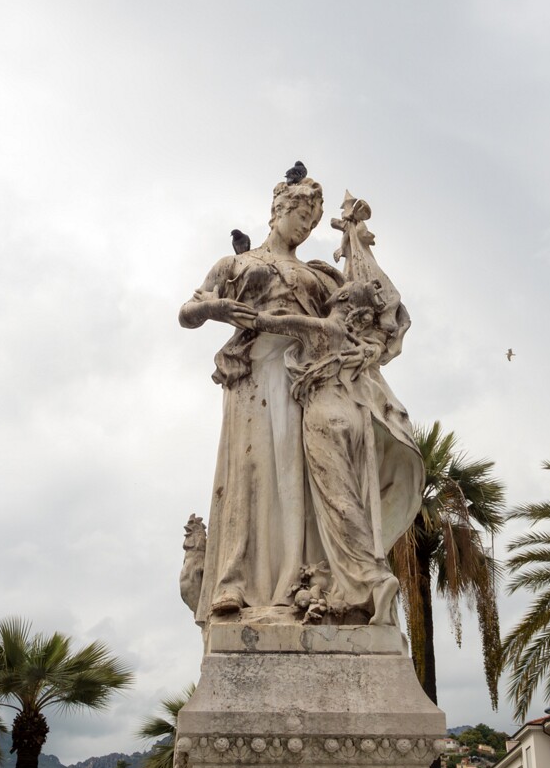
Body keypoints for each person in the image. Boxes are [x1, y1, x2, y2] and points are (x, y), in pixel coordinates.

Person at [179, 178, 340, 623]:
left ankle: (298, 582)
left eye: (312, 222)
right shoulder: (236, 263)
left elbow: (352, 321)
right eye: (301, 216)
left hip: (302, 380)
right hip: (250, 375)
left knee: (296, 476)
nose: (305, 228)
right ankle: (234, 582)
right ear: (279, 209)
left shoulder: (316, 275)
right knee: (249, 471)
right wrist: (216, 310)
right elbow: (187, 313)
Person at [254, 282, 420, 623]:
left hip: (325, 417)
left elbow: (263, 321)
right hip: (356, 417)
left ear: (343, 300)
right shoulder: (360, 344)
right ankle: (359, 580)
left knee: (337, 502)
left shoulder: (320, 328)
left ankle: (370, 579)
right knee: (353, 497)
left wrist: (217, 306)